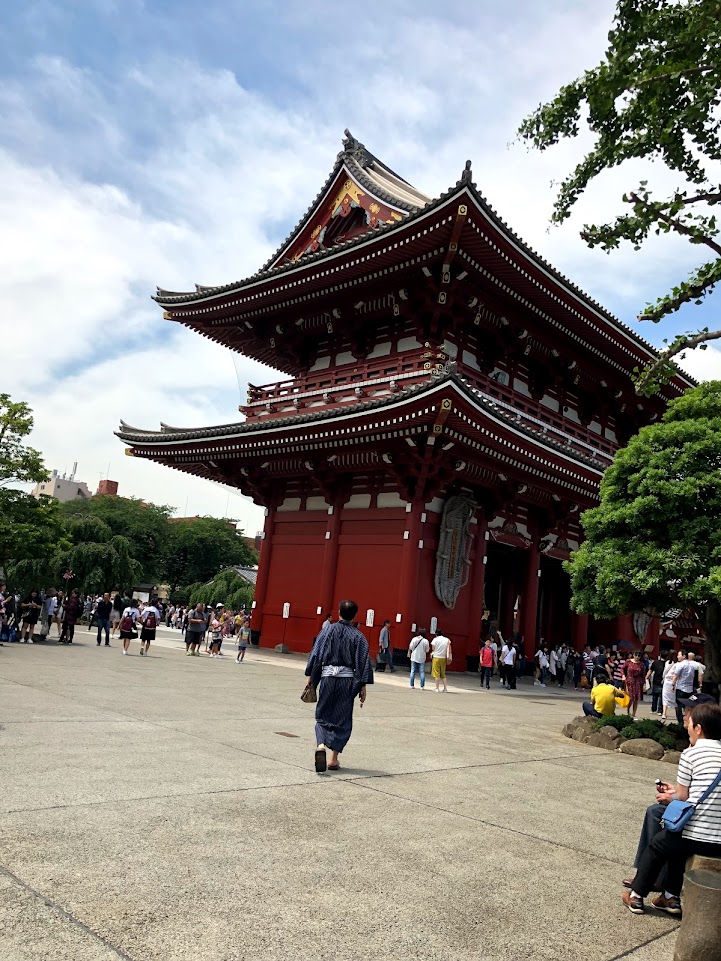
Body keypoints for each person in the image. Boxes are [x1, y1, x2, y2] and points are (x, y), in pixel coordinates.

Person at [623, 702, 721, 917]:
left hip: (699, 836)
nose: (687, 727)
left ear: (699, 728)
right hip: (719, 843)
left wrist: (671, 797)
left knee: (659, 845)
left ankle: (636, 895)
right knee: (676, 844)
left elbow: (684, 798)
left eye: (690, 723)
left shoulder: (691, 754)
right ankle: (670, 898)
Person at [304, 599, 373, 773]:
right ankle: (333, 759)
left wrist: (311, 677)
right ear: (354, 615)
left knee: (322, 715)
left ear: (339, 612)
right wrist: (362, 685)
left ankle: (321, 745)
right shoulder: (359, 636)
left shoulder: (327, 631)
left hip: (327, 678)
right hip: (346, 681)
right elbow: (363, 662)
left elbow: (316, 654)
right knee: (342, 719)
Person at [671, 650, 697, 725]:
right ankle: (687, 721)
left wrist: (673, 684)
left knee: (679, 705)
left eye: (679, 655)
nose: (677, 656)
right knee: (687, 706)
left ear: (684, 656)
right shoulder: (692, 666)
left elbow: (676, 676)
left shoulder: (680, 665)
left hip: (681, 688)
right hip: (689, 689)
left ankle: (680, 722)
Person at [625, 651, 646, 717]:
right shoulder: (628, 662)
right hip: (630, 681)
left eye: (639, 656)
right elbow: (622, 669)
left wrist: (644, 684)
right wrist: (623, 676)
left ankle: (634, 714)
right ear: (633, 655)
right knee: (631, 698)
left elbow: (643, 674)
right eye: (636, 655)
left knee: (636, 699)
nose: (637, 657)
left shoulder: (641, 664)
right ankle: (628, 710)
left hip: (638, 682)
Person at [647, 651, 667, 716]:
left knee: (655, 696)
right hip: (664, 682)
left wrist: (646, 677)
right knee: (661, 697)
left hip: (656, 681)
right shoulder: (667, 664)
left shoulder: (655, 662)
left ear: (660, 655)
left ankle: (653, 709)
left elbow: (650, 670)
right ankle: (660, 710)